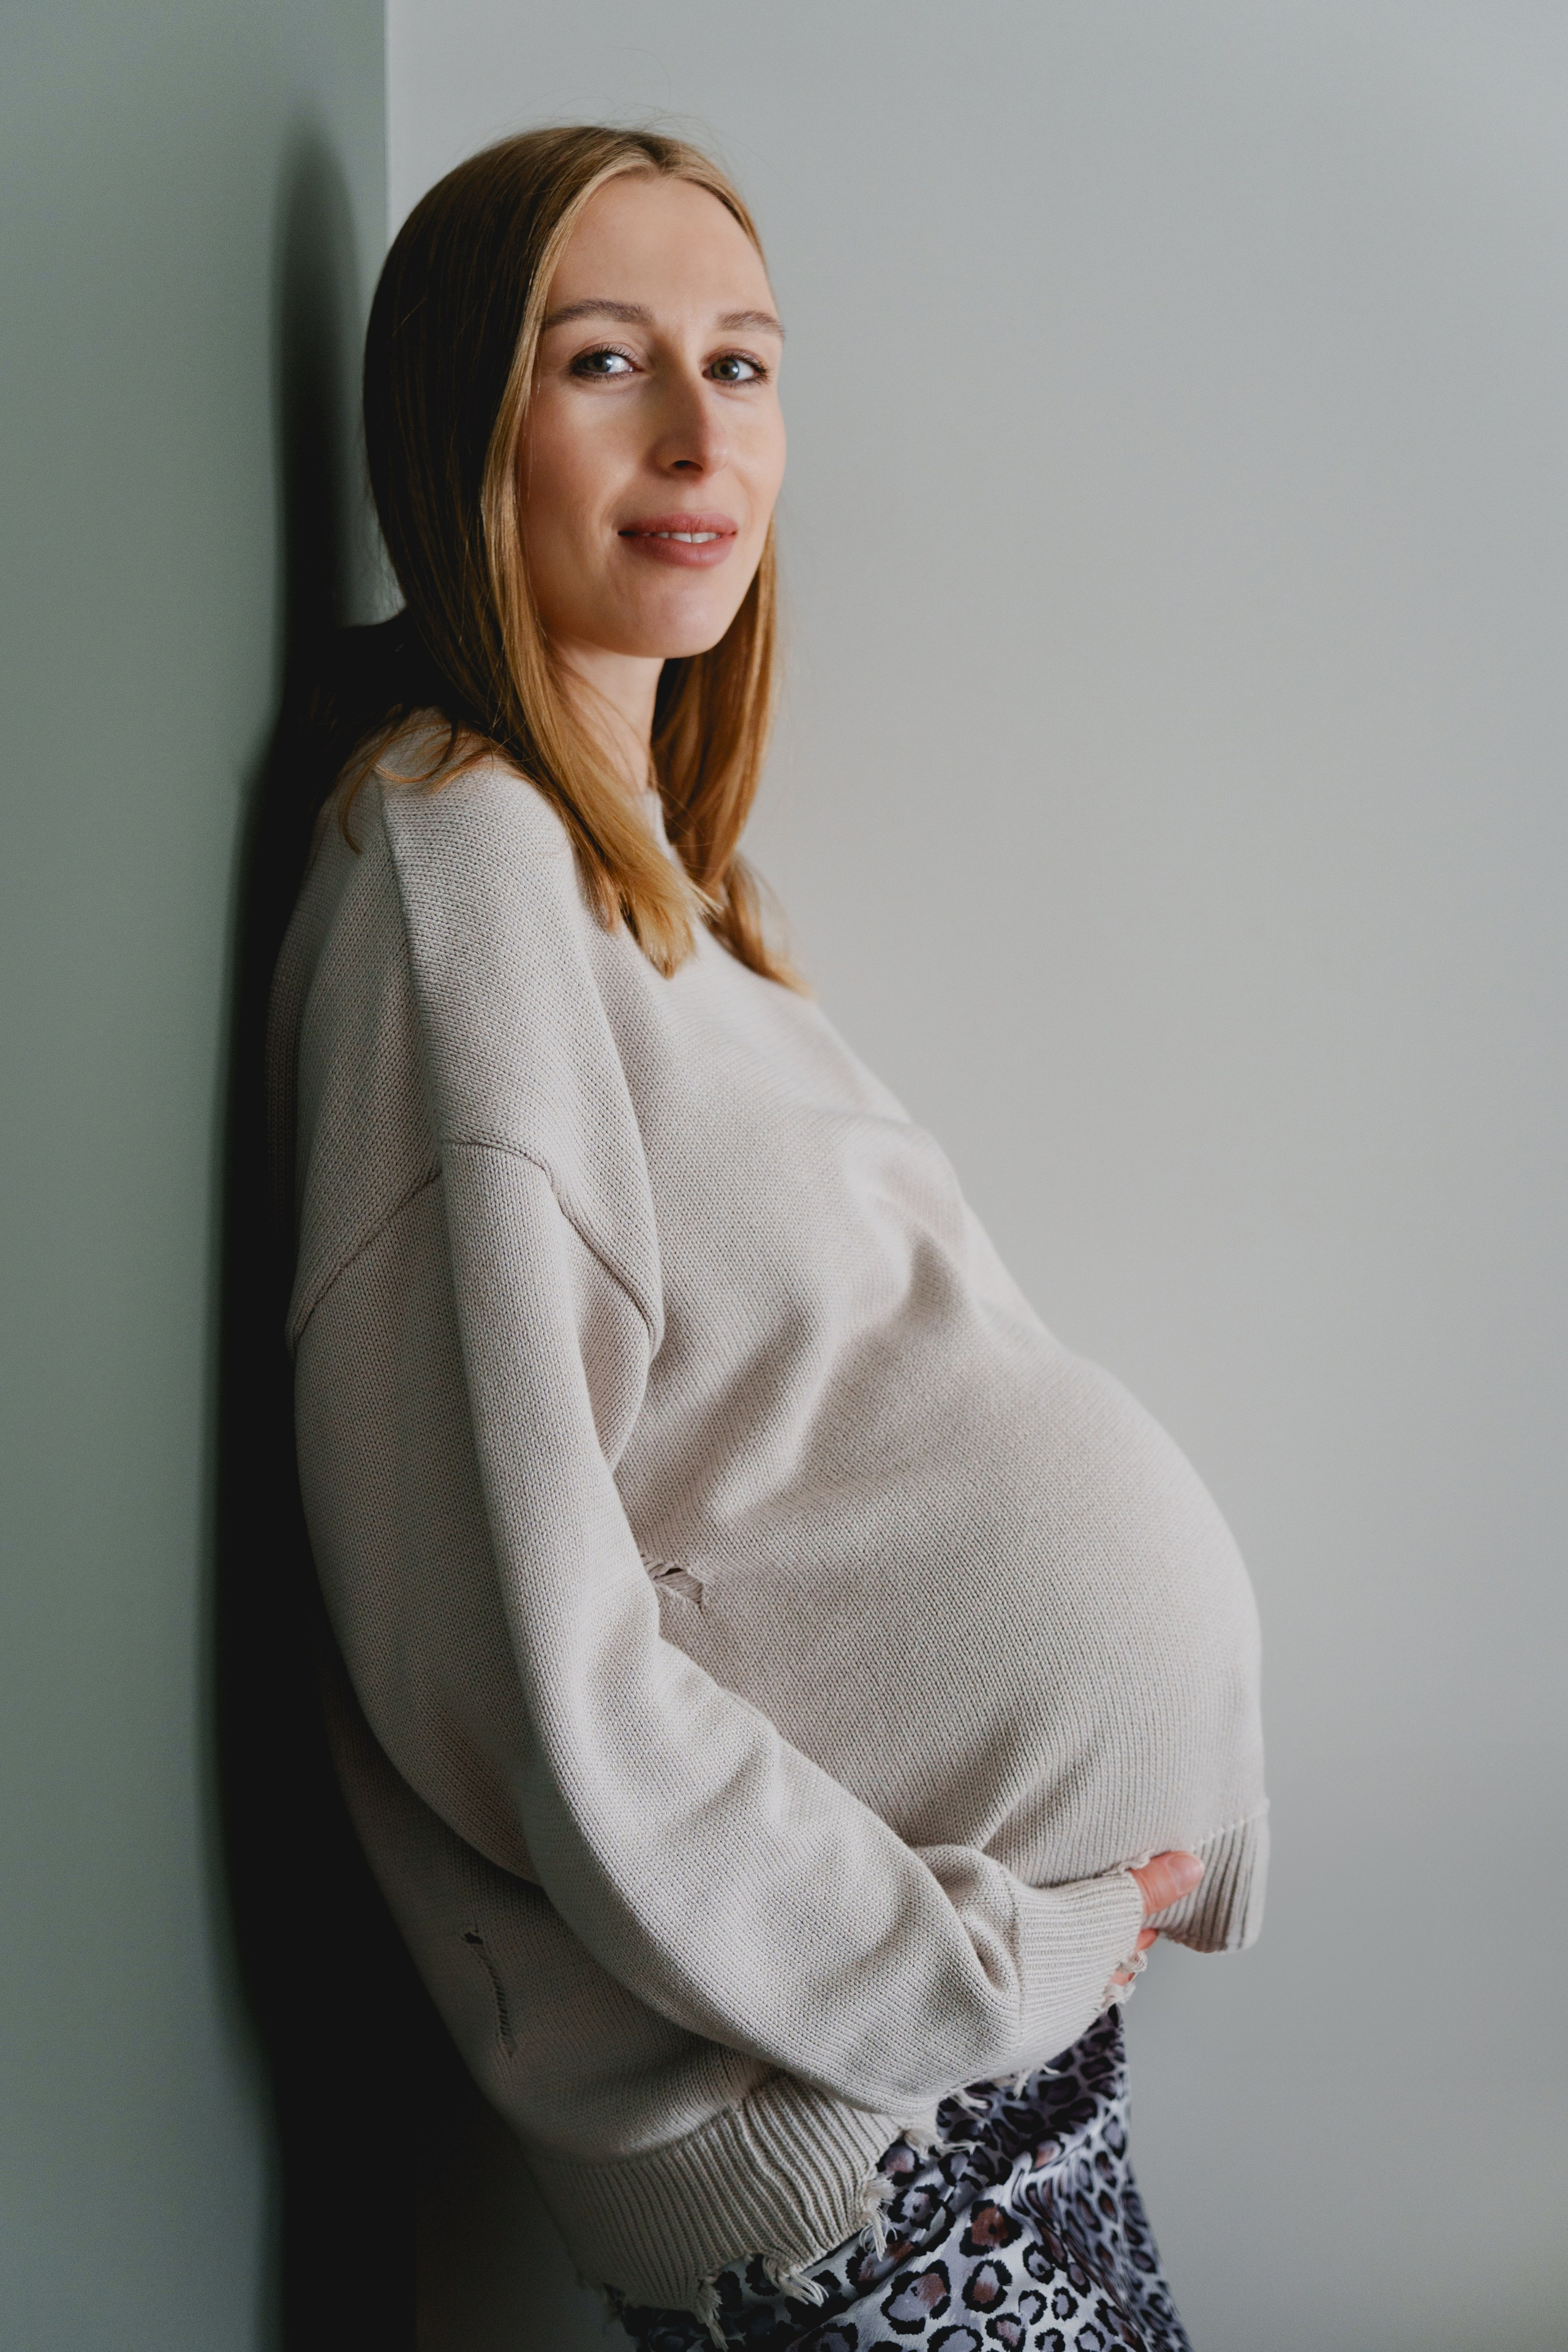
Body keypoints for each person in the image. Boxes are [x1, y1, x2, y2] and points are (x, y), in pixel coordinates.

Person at [268, 125, 1267, 2352]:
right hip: (846, 2116)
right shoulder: (463, 887)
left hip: (951, 2061)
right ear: (461, 423)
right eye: (606, 360)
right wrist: (978, 1969)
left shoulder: (660, 888)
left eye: (744, 360)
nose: (703, 431)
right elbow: (527, 1665)